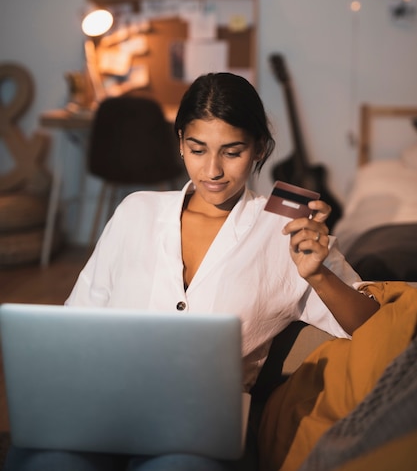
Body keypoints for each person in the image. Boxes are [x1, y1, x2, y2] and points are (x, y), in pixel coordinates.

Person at [4, 73, 379, 471]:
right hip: (104, 408)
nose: (212, 170)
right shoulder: (137, 210)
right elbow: (75, 322)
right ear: (181, 141)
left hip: (199, 431)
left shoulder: (284, 224)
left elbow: (372, 323)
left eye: (232, 152)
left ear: (259, 149)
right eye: (197, 149)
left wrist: (318, 274)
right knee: (48, 460)